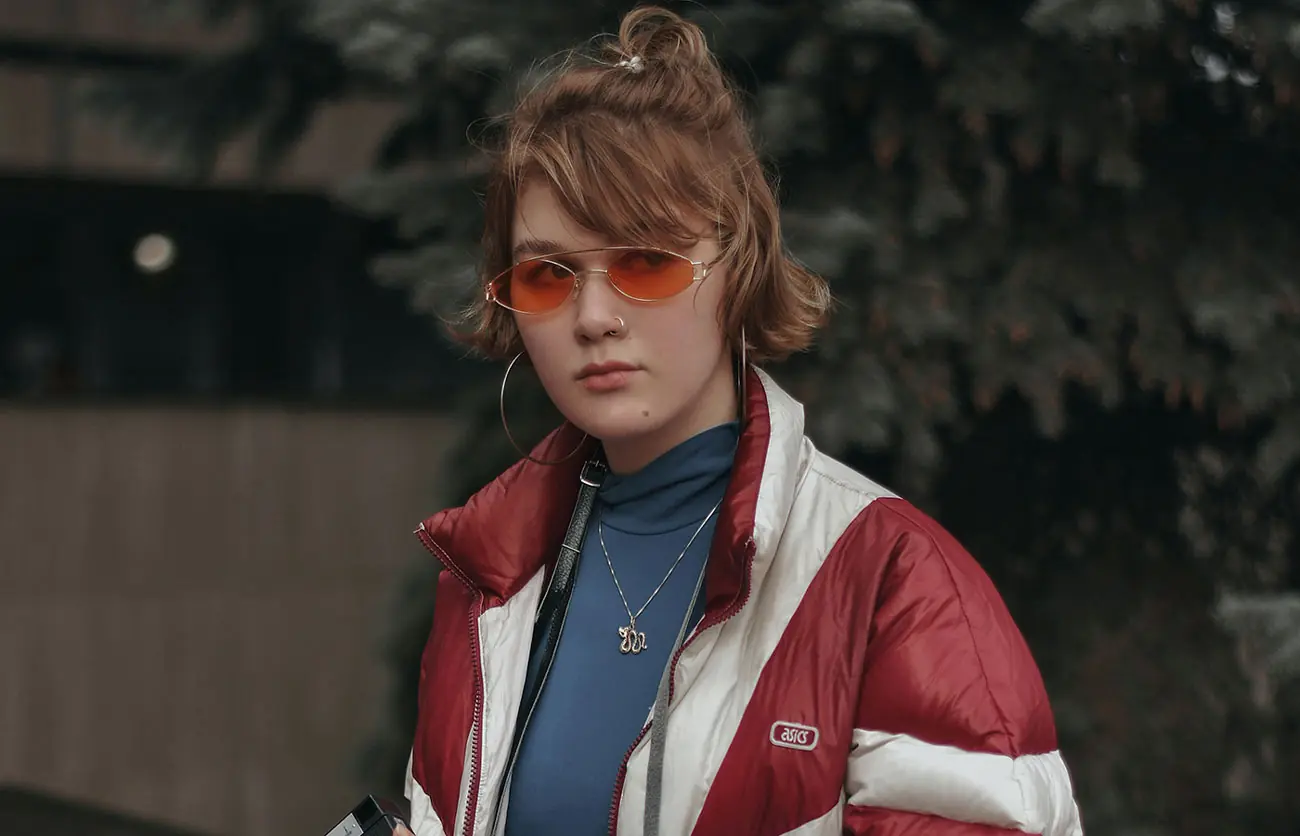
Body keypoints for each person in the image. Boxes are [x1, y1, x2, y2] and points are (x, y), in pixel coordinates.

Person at [399, 6, 1083, 836]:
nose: (593, 316)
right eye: (547, 275)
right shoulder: (486, 587)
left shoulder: (895, 585)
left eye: (645, 262)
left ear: (740, 264)